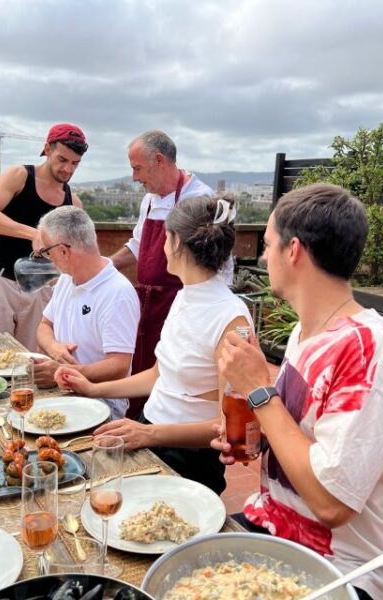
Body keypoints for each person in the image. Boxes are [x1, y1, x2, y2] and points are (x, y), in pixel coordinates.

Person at [212, 183, 383, 600]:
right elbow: (308, 436)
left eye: (268, 246)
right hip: (275, 529)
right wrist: (258, 439)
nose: (264, 258)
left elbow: (331, 503)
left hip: (345, 572)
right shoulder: (306, 332)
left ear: (294, 251)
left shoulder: (367, 347)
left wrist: (260, 392)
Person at [58, 195, 251, 495]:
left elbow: (228, 426)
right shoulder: (185, 296)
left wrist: (150, 434)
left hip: (188, 459)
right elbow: (159, 375)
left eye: (164, 237)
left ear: (176, 244)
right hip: (149, 430)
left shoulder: (231, 320)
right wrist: (92, 388)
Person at [109, 130, 225, 417]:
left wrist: (205, 309)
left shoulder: (202, 199)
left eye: (137, 168)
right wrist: (102, 267)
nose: (134, 177)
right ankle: (140, 419)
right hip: (147, 304)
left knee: (173, 374)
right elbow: (137, 245)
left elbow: (223, 264)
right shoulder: (148, 200)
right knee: (144, 366)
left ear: (159, 160)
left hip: (181, 302)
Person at [0, 123, 88, 351]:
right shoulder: (20, 176)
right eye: (62, 160)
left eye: (75, 163)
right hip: (0, 281)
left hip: (41, 289)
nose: (68, 169)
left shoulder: (73, 202)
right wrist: (33, 233)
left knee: (33, 362)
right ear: (47, 149)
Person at [34, 206, 139, 420]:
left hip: (100, 405)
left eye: (47, 251)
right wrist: (55, 348)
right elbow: (44, 325)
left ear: (63, 251)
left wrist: (62, 373)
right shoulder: (66, 279)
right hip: (65, 393)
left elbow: (119, 365)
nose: (48, 258)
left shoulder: (117, 293)